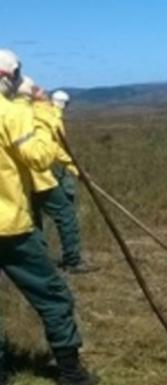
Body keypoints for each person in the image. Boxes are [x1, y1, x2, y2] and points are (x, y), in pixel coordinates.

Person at [0, 49, 98, 385]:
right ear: (8, 76)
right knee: (53, 297)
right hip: (9, 228)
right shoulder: (10, 113)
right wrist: (41, 108)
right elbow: (40, 157)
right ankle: (72, 374)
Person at [15, 78, 94, 274]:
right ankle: (72, 260)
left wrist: (76, 169)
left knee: (34, 221)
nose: (43, 90)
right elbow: (53, 146)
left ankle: (38, 263)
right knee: (65, 214)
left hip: (23, 180)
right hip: (39, 178)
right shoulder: (39, 114)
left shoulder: (21, 112)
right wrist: (77, 170)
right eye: (38, 89)